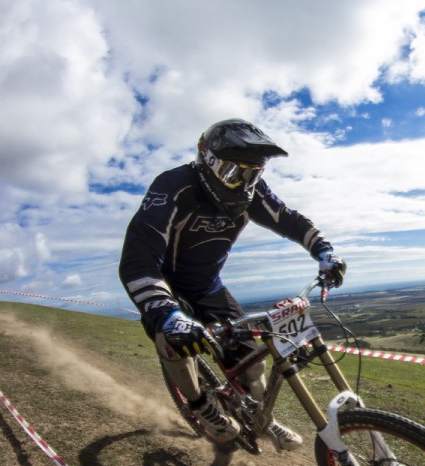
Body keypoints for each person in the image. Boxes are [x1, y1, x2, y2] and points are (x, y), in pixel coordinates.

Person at [119, 118, 346, 448]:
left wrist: (324, 251)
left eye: (253, 174)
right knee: (173, 345)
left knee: (253, 364)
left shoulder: (252, 193)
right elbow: (138, 259)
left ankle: (261, 414)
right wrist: (167, 316)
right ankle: (200, 406)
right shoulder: (173, 187)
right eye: (232, 172)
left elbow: (288, 219)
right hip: (169, 289)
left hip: (209, 286)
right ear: (206, 161)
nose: (242, 183)